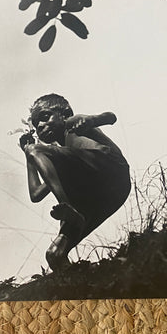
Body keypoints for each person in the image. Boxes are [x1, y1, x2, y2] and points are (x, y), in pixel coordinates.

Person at [19, 94, 131, 271]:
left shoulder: (72, 124)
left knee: (38, 151)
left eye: (44, 117)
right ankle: (77, 284)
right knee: (54, 254)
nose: (40, 126)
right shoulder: (61, 161)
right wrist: (28, 155)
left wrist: (91, 120)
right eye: (36, 125)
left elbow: (111, 117)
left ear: (64, 114)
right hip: (105, 194)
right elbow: (36, 194)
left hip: (111, 169)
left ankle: (69, 208)